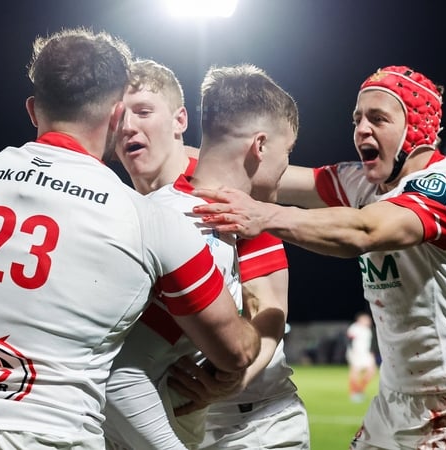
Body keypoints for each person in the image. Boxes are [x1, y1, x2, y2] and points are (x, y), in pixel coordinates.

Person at [0, 27, 261, 450]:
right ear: (117, 116)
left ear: (32, 109)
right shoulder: (149, 221)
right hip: (56, 436)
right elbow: (234, 352)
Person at [190, 65, 446, 449]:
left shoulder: (440, 193)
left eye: (378, 118)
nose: (362, 129)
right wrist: (164, 147)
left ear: (417, 131)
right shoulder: (364, 182)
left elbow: (365, 231)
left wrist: (265, 216)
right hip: (394, 399)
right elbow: (259, 170)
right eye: (357, 118)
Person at [104, 60, 308, 450]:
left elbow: (269, 308)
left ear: (180, 119)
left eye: (144, 111)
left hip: (251, 420)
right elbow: (123, 369)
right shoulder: (165, 217)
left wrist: (234, 376)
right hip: (168, 415)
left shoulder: (231, 208)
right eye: (120, 116)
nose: (129, 126)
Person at [345, 311, 376, 403]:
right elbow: (349, 340)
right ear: (360, 320)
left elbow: (368, 344)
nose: (369, 321)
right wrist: (352, 351)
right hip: (356, 353)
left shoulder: (367, 330)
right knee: (355, 372)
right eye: (367, 319)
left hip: (365, 353)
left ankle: (359, 390)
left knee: (371, 371)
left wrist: (371, 353)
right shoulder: (354, 328)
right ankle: (353, 393)